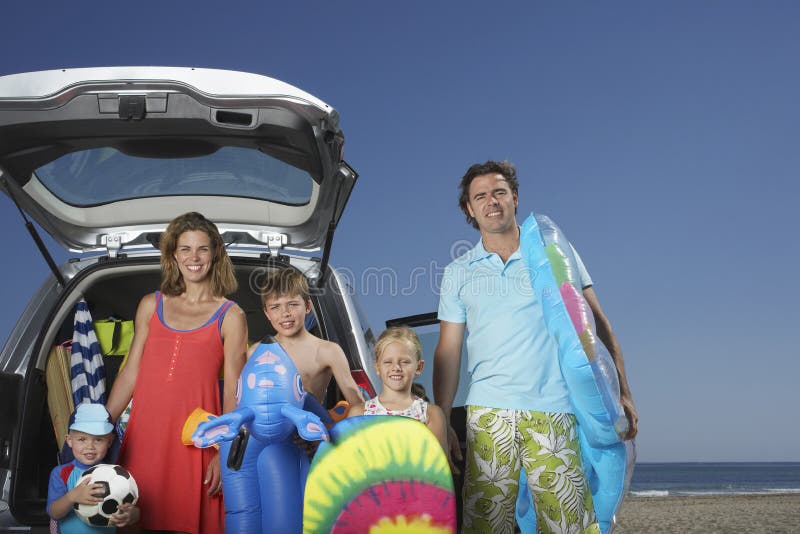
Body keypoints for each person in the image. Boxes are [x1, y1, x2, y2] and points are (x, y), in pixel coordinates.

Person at [433, 160, 637, 534]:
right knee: (485, 527)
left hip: (553, 411)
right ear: (469, 208)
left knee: (568, 526)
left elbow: (595, 322)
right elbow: (448, 351)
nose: (491, 202)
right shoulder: (457, 272)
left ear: (515, 197)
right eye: (480, 196)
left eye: (499, 192)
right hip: (488, 416)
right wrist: (443, 419)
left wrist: (622, 389)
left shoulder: (553, 252)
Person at [106, 212, 248, 534]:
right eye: (185, 249)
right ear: (173, 255)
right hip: (144, 440)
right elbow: (130, 373)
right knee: (133, 521)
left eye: (202, 249)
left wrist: (224, 453)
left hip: (196, 444)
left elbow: (234, 393)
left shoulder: (231, 315)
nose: (193, 258)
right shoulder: (150, 304)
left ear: (215, 254)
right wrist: (101, 425)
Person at [260, 268, 363, 408]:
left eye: (293, 304)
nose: (285, 313)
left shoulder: (328, 351)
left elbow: (358, 404)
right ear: (266, 313)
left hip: (312, 428)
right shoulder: (256, 352)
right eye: (275, 307)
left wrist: (333, 427)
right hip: (264, 429)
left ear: (308, 306)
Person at [348, 326, 448, 453]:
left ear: (419, 367)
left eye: (405, 362)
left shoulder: (431, 414)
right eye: (388, 362)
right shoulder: (359, 414)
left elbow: (440, 468)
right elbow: (351, 463)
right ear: (377, 367)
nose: (396, 367)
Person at [47, 403, 140, 533]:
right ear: (69, 440)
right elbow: (54, 513)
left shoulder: (118, 475)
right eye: (82, 439)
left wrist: (131, 515)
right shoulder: (61, 473)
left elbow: (133, 511)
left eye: (98, 439)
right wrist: (71, 497)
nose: (90, 446)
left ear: (109, 441)